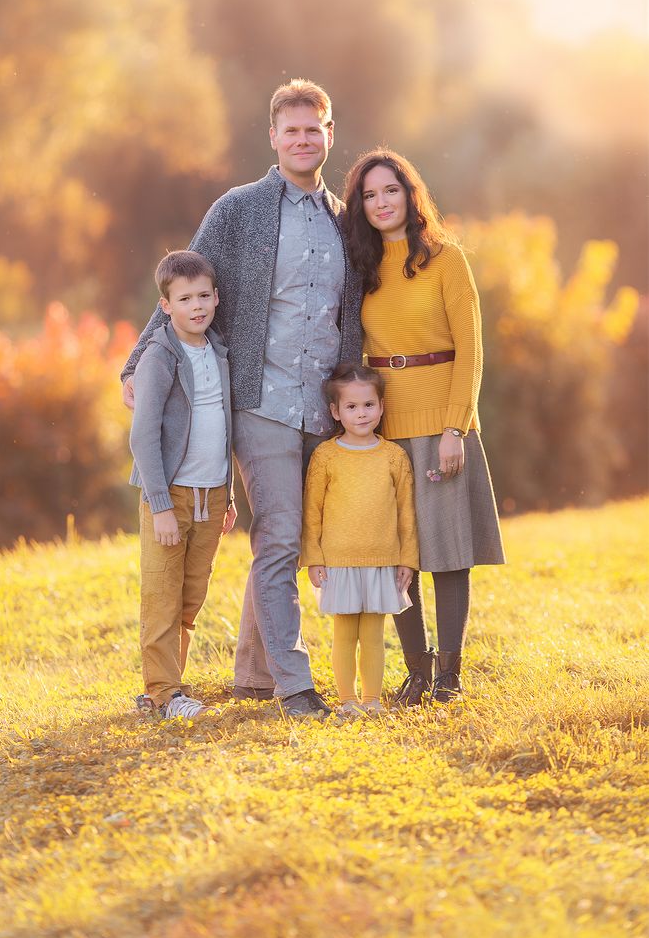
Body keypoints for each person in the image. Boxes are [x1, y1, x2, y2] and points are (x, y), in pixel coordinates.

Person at [121, 80, 362, 718]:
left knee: (290, 540)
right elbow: (182, 283)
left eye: (314, 129)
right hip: (259, 400)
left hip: (323, 407)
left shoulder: (344, 220)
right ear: (273, 136)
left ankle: (255, 676)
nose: (303, 140)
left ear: (329, 135)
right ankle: (295, 685)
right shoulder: (238, 209)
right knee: (280, 536)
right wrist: (138, 360)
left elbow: (353, 312)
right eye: (291, 130)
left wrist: (354, 390)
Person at [342, 149, 505, 705]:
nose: (381, 202)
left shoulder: (447, 259)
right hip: (384, 429)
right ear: (360, 207)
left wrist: (456, 427)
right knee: (396, 552)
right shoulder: (361, 269)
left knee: (448, 551)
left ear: (411, 195)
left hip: (441, 426)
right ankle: (417, 670)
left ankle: (450, 675)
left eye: (391, 190)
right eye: (369, 195)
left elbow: (471, 350)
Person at [130, 250, 236, 720]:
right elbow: (143, 436)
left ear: (216, 298)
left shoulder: (219, 351)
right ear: (166, 305)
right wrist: (160, 507)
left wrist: (228, 495)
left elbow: (224, 428)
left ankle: (171, 688)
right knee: (162, 597)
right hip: (170, 496)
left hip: (211, 494)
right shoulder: (159, 357)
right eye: (185, 298)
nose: (197, 306)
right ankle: (163, 694)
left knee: (190, 599)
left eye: (203, 296)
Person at [301, 363, 419, 716]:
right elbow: (312, 511)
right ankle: (348, 701)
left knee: (373, 635)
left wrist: (407, 559)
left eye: (369, 404)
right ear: (336, 411)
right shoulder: (326, 455)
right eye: (351, 407)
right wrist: (313, 557)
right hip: (338, 560)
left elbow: (407, 513)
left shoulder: (394, 456)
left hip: (383, 559)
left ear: (382, 406)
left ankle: (372, 700)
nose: (362, 413)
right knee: (344, 634)